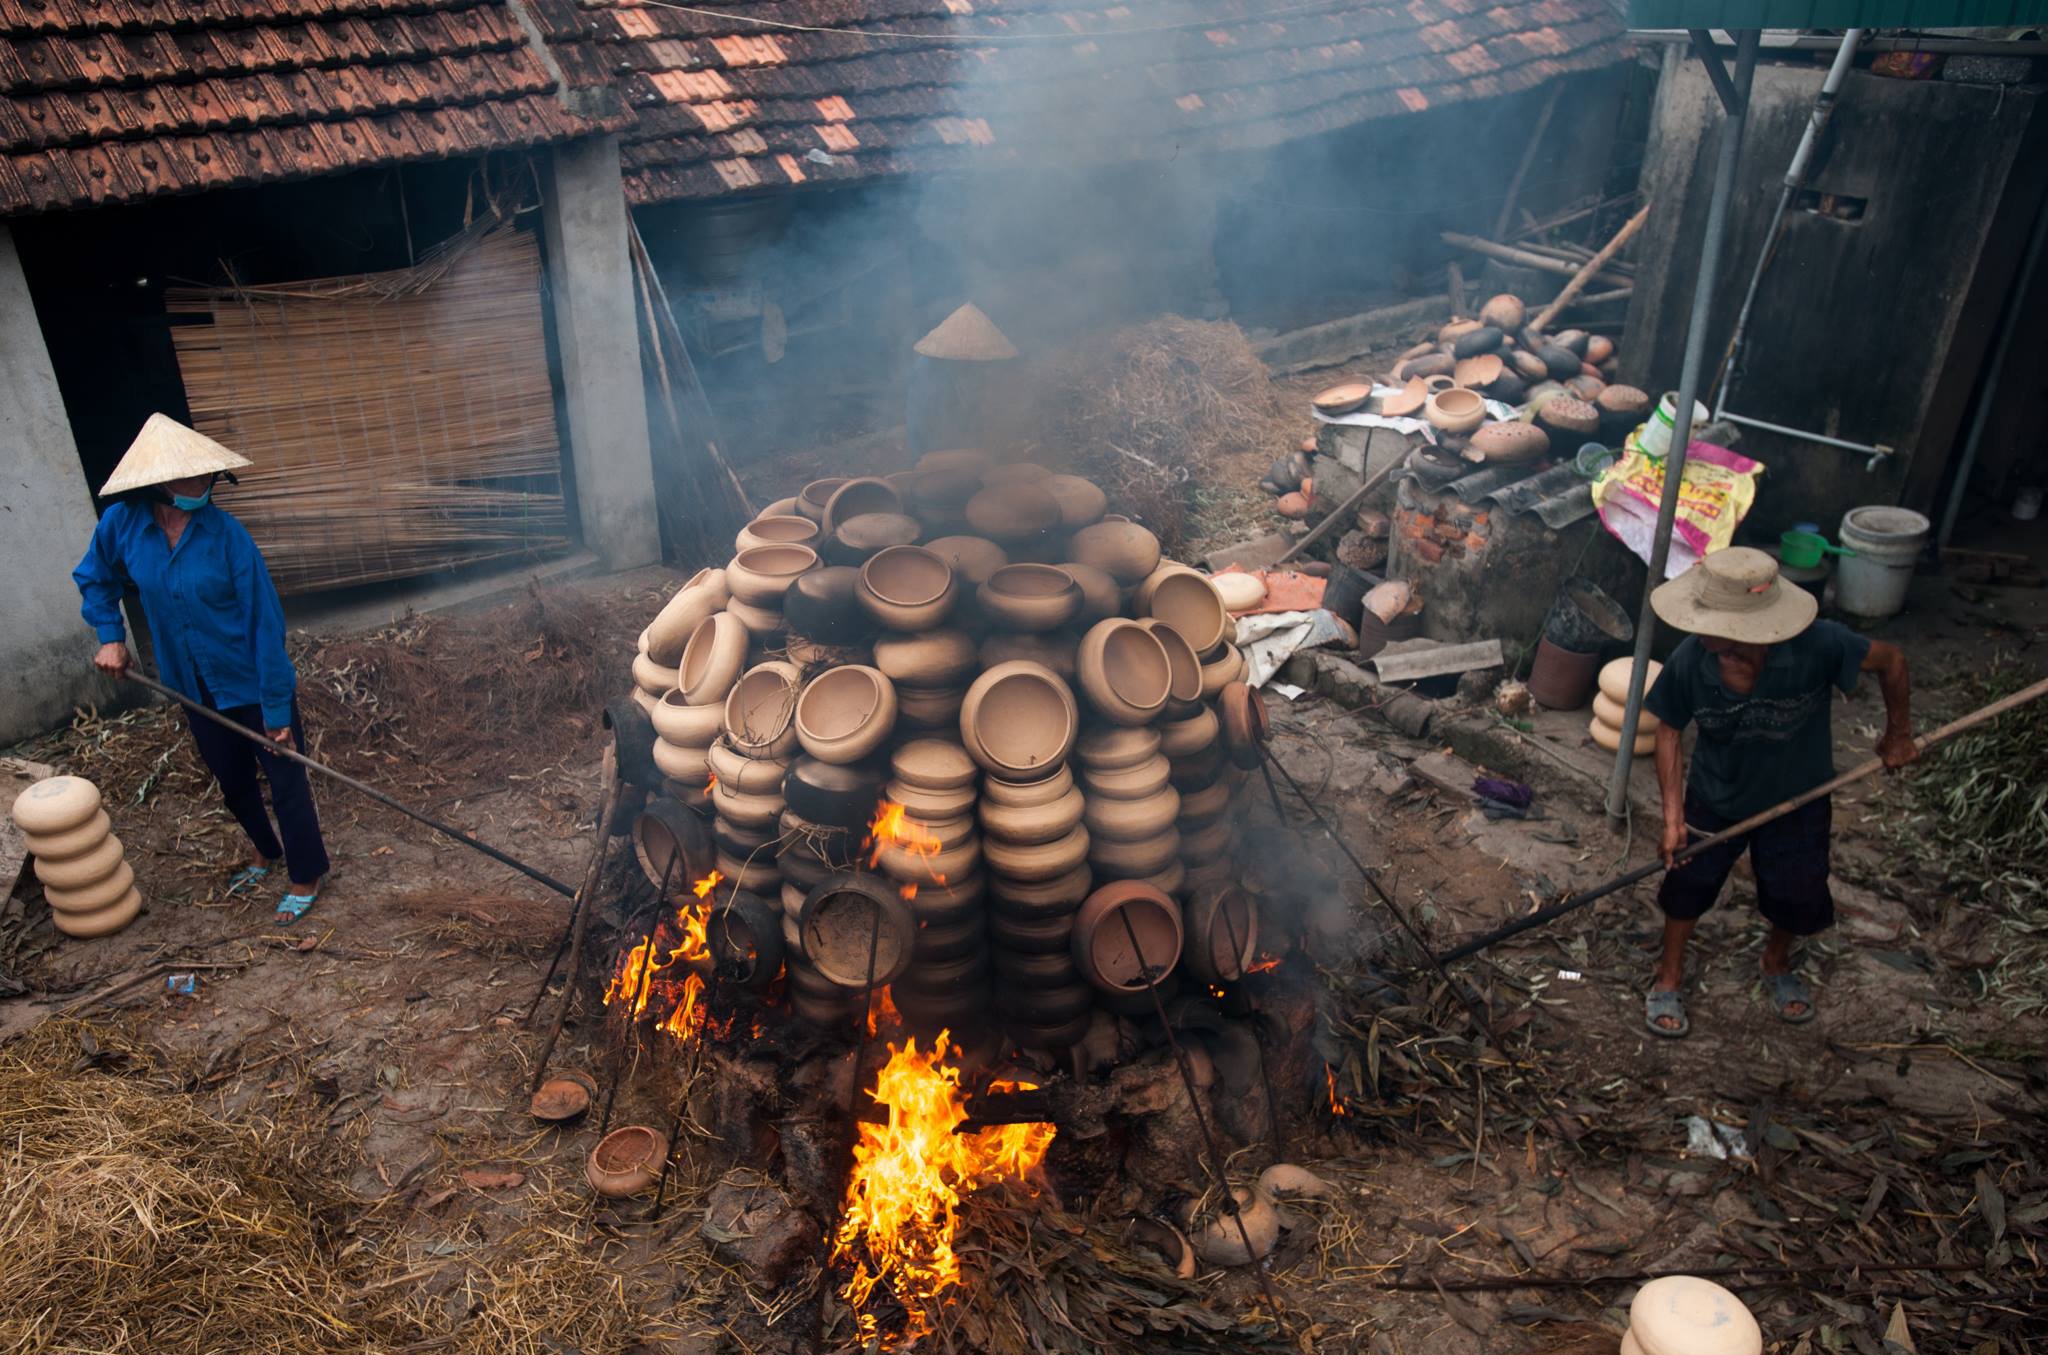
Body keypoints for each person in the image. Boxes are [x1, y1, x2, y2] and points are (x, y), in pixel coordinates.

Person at [1639, 546, 1913, 1037]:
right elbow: (1668, 731)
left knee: (1796, 890)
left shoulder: (1819, 645)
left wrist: (1898, 734)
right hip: (1717, 796)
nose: (1700, 631)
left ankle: (1775, 963)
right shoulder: (1691, 661)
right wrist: (1674, 818)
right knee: (1687, 886)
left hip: (1799, 797)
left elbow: (1892, 661)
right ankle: (1669, 975)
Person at [73, 414, 330, 925]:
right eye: (192, 477)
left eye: (207, 476)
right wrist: (111, 637)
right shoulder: (122, 526)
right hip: (190, 683)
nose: (204, 486)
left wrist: (276, 711)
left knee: (285, 781)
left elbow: (264, 622)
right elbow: (93, 578)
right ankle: (265, 850)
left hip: (251, 680)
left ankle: (306, 873)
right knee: (231, 779)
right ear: (159, 484)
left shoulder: (226, 537)